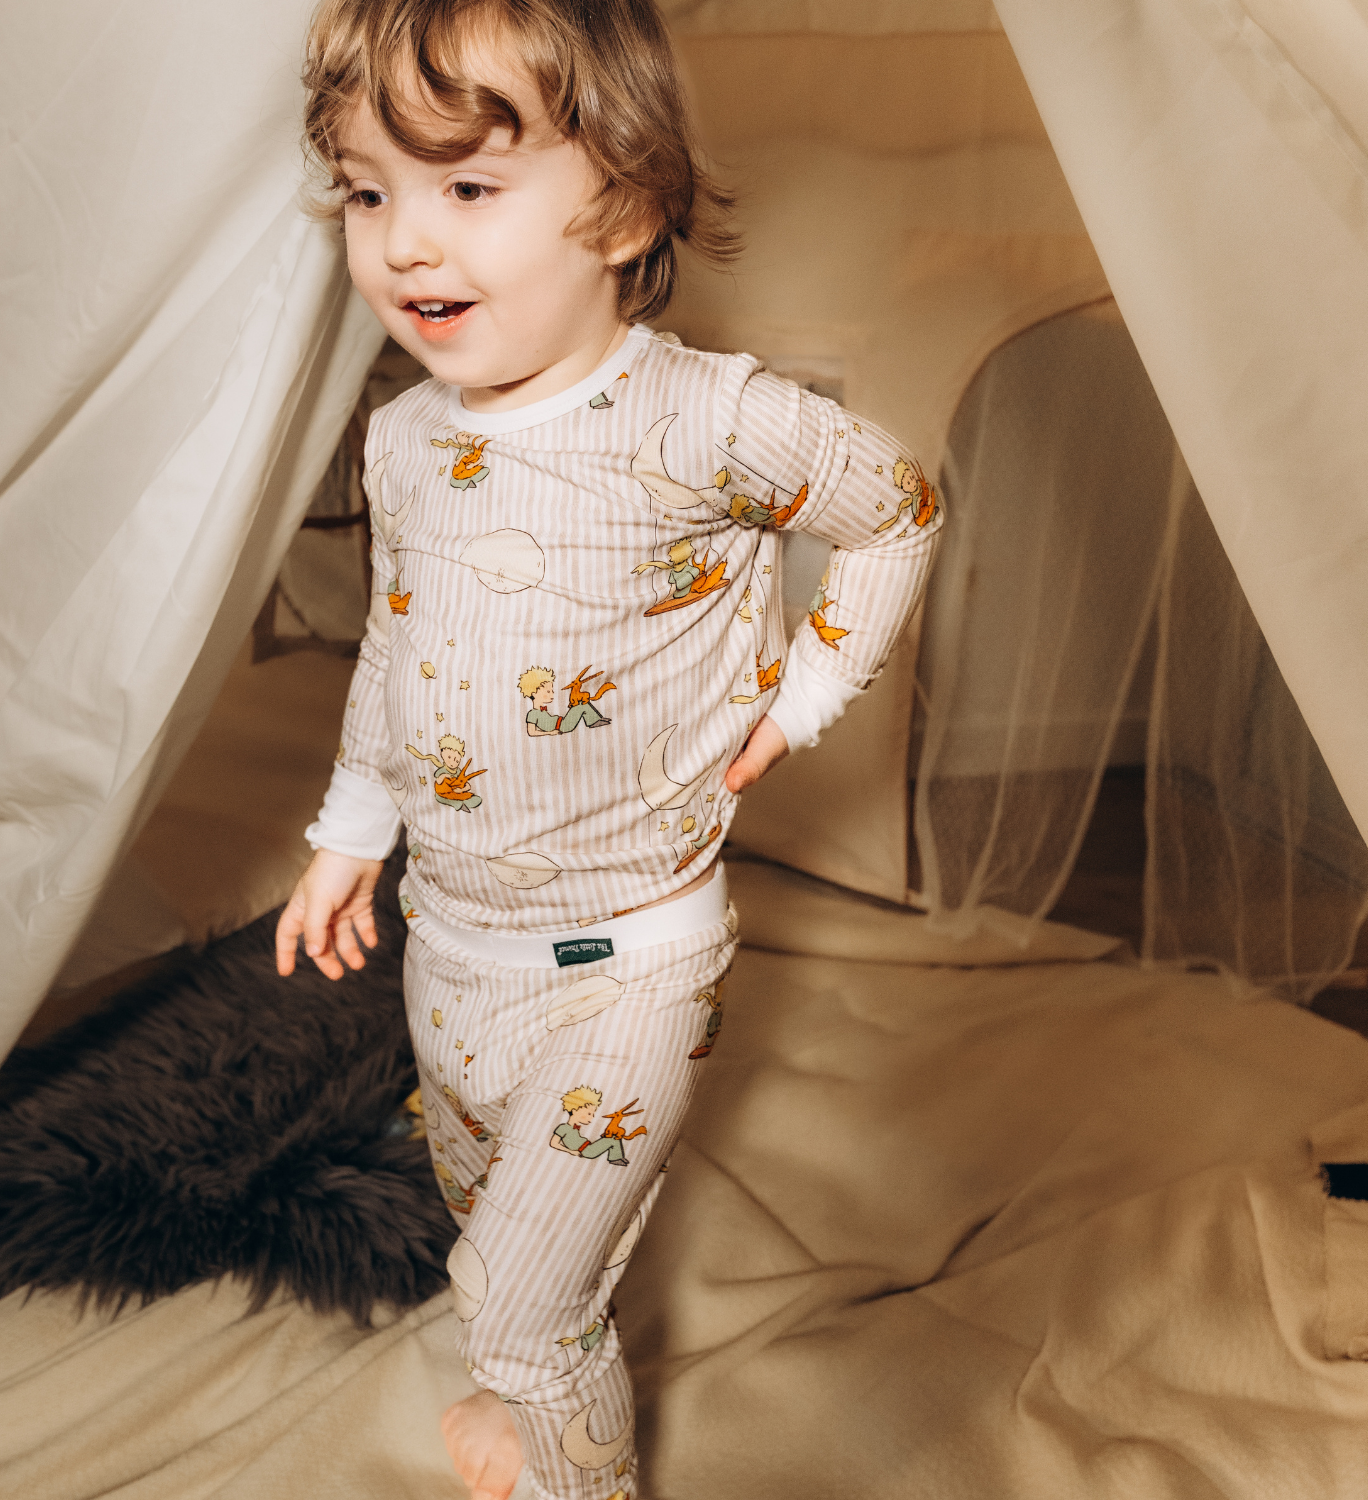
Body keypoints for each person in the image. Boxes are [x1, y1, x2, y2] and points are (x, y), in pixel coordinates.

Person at [274, 3, 944, 1497]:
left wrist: (803, 694)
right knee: (503, 1235)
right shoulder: (404, 439)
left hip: (631, 962)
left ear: (628, 206)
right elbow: (399, 654)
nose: (404, 242)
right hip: (453, 953)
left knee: (516, 1308)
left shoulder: (709, 421)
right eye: (369, 192)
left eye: (467, 185)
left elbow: (899, 511)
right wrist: (349, 831)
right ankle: (531, 1401)